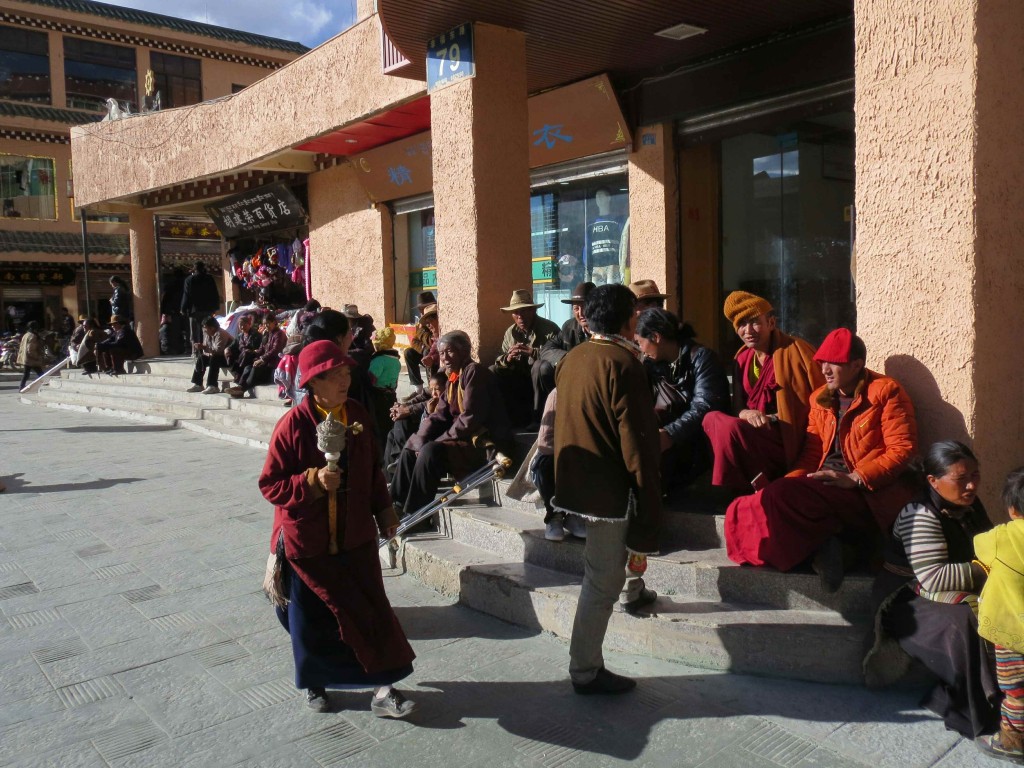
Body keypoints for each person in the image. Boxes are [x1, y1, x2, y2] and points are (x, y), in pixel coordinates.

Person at [259, 340, 417, 717]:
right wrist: (311, 482)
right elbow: (271, 485)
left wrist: (385, 514)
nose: (345, 380)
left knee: (371, 614)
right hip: (308, 544)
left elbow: (374, 473)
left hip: (355, 538)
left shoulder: (357, 414)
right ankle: (315, 684)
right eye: (335, 375)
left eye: (347, 372)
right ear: (314, 382)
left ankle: (383, 689)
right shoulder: (292, 426)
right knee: (312, 622)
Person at [725, 328, 917, 591]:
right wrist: (790, 482)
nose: (825, 369)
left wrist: (855, 478)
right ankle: (833, 547)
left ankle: (832, 547)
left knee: (777, 498)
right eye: (823, 362)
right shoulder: (820, 398)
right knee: (747, 505)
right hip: (822, 483)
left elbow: (902, 449)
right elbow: (812, 453)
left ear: (857, 365)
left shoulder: (885, 392)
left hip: (865, 491)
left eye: (834, 363)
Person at [553, 284, 662, 695]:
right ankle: (584, 670)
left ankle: (589, 659)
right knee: (601, 582)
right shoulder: (623, 363)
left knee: (603, 574)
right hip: (608, 489)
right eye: (634, 313)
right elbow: (635, 441)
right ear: (627, 317)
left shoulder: (574, 357)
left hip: (578, 482)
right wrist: (648, 494)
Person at [863, 441, 998, 739]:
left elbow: (990, 544)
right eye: (961, 479)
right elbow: (934, 577)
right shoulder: (919, 514)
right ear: (932, 481)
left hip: (948, 587)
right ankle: (968, 707)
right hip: (905, 597)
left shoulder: (969, 504)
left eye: (975, 475)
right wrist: (989, 570)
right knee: (963, 621)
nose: (972, 484)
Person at [702, 291, 824, 489]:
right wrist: (746, 413)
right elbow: (738, 408)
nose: (748, 330)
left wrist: (772, 418)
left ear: (771, 323)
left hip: (785, 438)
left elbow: (821, 403)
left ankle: (727, 489)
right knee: (712, 418)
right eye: (741, 324)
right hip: (752, 433)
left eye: (754, 322)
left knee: (732, 428)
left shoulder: (798, 352)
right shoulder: (741, 359)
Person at [390, 331, 512, 519]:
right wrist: (420, 439)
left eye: (449, 352)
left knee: (430, 451)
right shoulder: (453, 377)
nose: (444, 358)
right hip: (460, 437)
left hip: (480, 441)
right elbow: (440, 414)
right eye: (441, 353)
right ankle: (395, 506)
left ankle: (416, 513)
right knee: (411, 446)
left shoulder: (474, 372)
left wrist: (438, 440)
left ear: (464, 352)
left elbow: (470, 418)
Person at [635, 308, 730, 498]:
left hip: (697, 440)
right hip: (670, 438)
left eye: (640, 343)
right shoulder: (651, 367)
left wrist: (670, 434)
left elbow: (704, 406)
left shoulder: (702, 359)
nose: (640, 350)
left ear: (655, 337)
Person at [974, 468, 1024, 760]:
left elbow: (979, 548)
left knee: (1017, 690)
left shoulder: (1000, 537)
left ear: (1012, 508)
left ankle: (1014, 741)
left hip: (1010, 634)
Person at [491, 289, 560, 426]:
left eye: (524, 311)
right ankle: (502, 419)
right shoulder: (510, 333)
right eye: (516, 313)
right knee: (493, 370)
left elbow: (557, 357)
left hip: (543, 384)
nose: (520, 316)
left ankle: (539, 418)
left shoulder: (549, 329)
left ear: (533, 311)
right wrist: (508, 358)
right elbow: (500, 357)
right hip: (520, 382)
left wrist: (533, 353)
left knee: (540, 366)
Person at [532, 281, 594, 417]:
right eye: (576, 308)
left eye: (585, 307)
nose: (581, 313)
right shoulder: (569, 327)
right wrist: (570, 359)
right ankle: (544, 418)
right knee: (540, 366)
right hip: (569, 378)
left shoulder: (605, 327)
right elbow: (547, 349)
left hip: (594, 382)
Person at [384, 372, 445, 475]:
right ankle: (388, 478)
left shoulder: (447, 395)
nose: (434, 393)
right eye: (432, 390)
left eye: (437, 390)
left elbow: (431, 422)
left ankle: (401, 462)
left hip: (434, 430)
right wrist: (403, 406)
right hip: (424, 423)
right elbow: (425, 394)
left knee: (402, 422)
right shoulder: (438, 376)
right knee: (392, 433)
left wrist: (409, 410)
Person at [228, 313, 286, 399]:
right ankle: (240, 386)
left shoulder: (279, 334)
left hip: (273, 365)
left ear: (274, 322)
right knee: (248, 367)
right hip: (266, 362)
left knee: (256, 368)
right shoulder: (267, 334)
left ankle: (241, 389)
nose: (266, 326)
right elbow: (261, 349)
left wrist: (262, 359)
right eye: (264, 324)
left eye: (268, 323)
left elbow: (275, 350)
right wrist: (254, 353)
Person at [404, 292, 438, 398]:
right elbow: (414, 342)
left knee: (428, 352)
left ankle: (431, 388)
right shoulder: (423, 324)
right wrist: (423, 347)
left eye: (422, 308)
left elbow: (432, 341)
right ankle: (418, 389)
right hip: (426, 352)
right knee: (408, 352)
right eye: (420, 309)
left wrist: (423, 333)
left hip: (436, 357)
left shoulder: (433, 320)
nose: (420, 312)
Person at [187, 316, 232, 394]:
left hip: (228, 357)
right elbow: (207, 349)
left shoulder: (220, 333)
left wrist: (204, 347)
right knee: (202, 358)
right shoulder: (207, 334)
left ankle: (213, 385)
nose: (204, 329)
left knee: (215, 358)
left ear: (212, 328)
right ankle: (198, 384)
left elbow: (218, 351)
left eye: (205, 327)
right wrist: (202, 347)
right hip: (216, 355)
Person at [180, 261, 221, 346]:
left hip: (195, 310)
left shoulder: (189, 280)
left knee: (195, 331)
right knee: (208, 328)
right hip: (208, 309)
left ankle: (196, 351)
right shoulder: (209, 278)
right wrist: (215, 307)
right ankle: (208, 347)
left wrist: (183, 309)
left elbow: (186, 295)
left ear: (194, 269)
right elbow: (214, 293)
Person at [225, 313, 262, 386]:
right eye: (240, 325)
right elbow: (232, 346)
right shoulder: (240, 336)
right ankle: (237, 372)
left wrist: (251, 351)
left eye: (244, 325)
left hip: (251, 356)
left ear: (249, 324)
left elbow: (258, 348)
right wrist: (227, 349)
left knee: (246, 353)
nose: (242, 327)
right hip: (241, 357)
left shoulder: (256, 335)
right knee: (231, 353)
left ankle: (238, 373)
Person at [17, 320, 44, 390]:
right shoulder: (33, 336)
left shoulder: (26, 335)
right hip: (31, 359)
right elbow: (30, 350)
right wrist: (37, 357)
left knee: (26, 374)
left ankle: (21, 387)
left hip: (26, 358)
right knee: (41, 374)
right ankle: (45, 385)